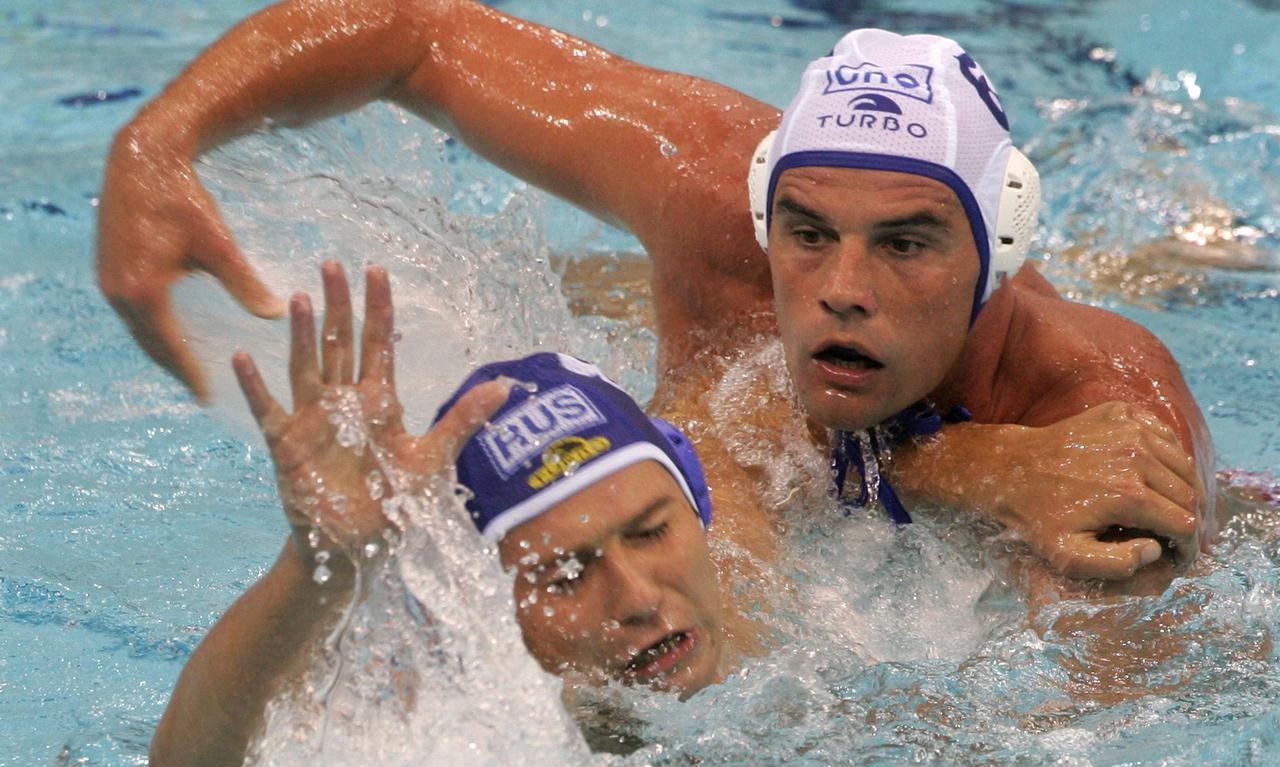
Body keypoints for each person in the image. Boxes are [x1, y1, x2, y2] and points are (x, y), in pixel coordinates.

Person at [97, 2, 1207, 581]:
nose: (839, 289)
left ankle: (1181, 252)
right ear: (762, 206)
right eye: (804, 235)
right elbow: (416, 31)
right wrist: (157, 142)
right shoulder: (702, 190)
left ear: (994, 256)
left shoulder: (1098, 411)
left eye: (908, 245)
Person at [150, 263, 768, 767]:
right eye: (565, 575)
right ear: (483, 605)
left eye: (652, 530)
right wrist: (324, 562)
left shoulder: (768, 541)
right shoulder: (452, 717)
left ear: (696, 501)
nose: (637, 598)